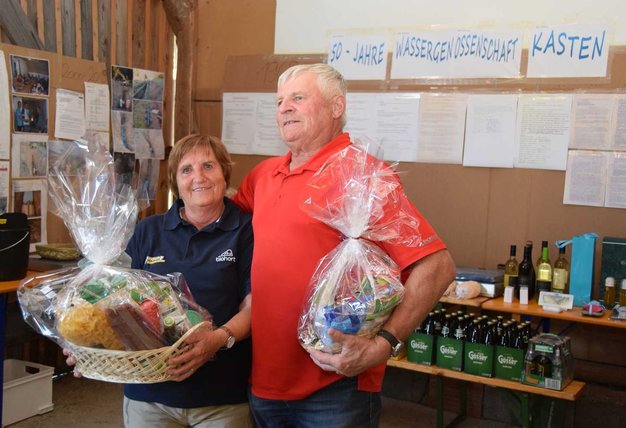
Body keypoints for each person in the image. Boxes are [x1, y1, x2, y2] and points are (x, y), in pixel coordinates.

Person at [232, 63, 456, 427]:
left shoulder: (364, 175)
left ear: (337, 107)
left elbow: (438, 267)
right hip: (263, 383)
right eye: (279, 101)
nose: (284, 108)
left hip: (336, 386)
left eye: (298, 98)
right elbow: (219, 225)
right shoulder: (263, 175)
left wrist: (384, 344)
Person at [68, 134, 254, 428]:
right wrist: (85, 343)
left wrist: (217, 340)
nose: (199, 177)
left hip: (222, 397)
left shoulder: (246, 228)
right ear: (175, 182)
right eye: (186, 169)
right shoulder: (147, 231)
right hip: (148, 395)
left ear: (224, 173)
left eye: (208, 166)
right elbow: (113, 298)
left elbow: (254, 306)